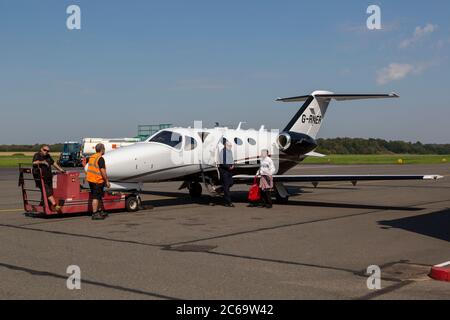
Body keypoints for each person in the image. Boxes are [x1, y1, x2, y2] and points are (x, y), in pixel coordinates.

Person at [32, 144, 66, 212]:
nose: (46, 152)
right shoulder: (37, 155)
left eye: (48, 151)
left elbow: (53, 163)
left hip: (48, 177)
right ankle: (55, 206)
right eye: (45, 150)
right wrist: (42, 162)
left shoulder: (48, 156)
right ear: (41, 149)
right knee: (47, 192)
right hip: (40, 177)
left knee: (48, 192)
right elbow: (34, 162)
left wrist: (61, 169)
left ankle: (41, 206)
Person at [86, 143, 111, 220]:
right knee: (96, 197)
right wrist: (106, 181)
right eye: (104, 149)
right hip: (97, 180)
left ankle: (100, 211)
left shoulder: (92, 157)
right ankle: (95, 213)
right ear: (102, 150)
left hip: (91, 180)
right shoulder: (100, 158)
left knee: (99, 196)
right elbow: (102, 171)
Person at [218, 140, 235, 207]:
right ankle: (228, 202)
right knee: (227, 187)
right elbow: (222, 162)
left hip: (229, 171)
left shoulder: (230, 151)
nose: (230, 147)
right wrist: (228, 167)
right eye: (229, 146)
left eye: (230, 146)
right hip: (224, 171)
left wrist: (233, 165)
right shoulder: (222, 152)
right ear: (225, 145)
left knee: (231, 183)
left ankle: (221, 189)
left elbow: (231, 159)